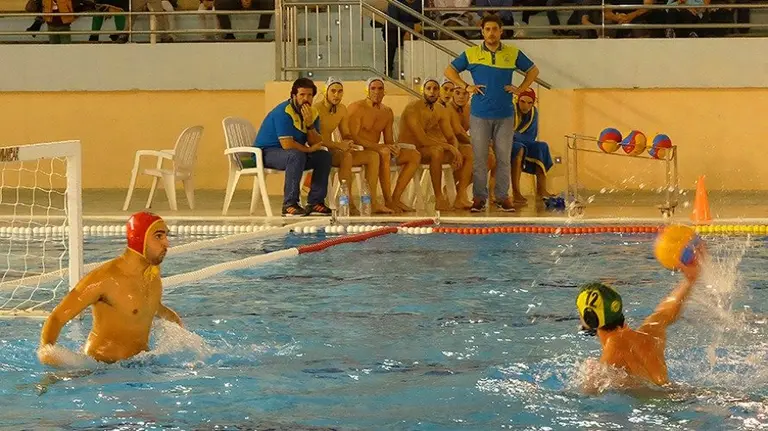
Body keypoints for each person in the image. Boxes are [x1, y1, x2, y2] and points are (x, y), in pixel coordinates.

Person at [38, 212, 182, 367]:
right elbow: (57, 318)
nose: (167, 243)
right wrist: (47, 354)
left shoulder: (151, 275)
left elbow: (148, 306)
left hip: (140, 365)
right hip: (101, 369)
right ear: (140, 239)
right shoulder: (104, 279)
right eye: (159, 237)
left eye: (166, 236)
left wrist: (177, 327)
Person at [444, 14, 540, 213]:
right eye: (487, 29)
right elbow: (449, 71)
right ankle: (479, 198)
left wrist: (521, 88)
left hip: (505, 115)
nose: (491, 33)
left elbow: (533, 71)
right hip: (480, 115)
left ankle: (503, 197)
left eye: (495, 29)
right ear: (482, 31)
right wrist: (465, 86)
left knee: (503, 157)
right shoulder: (471, 54)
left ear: (501, 31)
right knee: (480, 158)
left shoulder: (512, 53)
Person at [576, 251, 704, 391]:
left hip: (662, 408)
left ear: (590, 319)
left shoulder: (610, 356)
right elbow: (665, 311)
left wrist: (589, 379)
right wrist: (690, 280)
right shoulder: (649, 333)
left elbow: (590, 396)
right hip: (679, 393)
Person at [253, 78, 333, 216]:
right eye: (302, 95)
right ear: (294, 96)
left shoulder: (312, 113)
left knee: (323, 156)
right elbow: (287, 144)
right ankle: (289, 204)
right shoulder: (283, 112)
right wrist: (308, 150)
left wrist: (309, 125)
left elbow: (315, 142)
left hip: (294, 153)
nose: (305, 99)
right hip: (266, 153)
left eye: (309, 95)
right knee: (296, 155)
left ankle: (315, 202)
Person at [313, 77, 393, 214]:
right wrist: (338, 145)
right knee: (347, 156)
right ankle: (348, 202)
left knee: (373, 156)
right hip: (319, 152)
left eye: (340, 92)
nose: (336, 95)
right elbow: (314, 139)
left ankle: (372, 202)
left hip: (335, 150)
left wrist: (348, 141)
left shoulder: (342, 109)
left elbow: (346, 133)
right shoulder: (316, 109)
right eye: (333, 91)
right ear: (326, 92)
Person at [398, 78, 473, 210]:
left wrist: (455, 150)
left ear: (439, 92)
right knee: (436, 151)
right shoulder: (412, 108)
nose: (432, 92)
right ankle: (439, 197)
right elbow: (422, 140)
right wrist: (451, 149)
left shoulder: (440, 109)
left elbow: (451, 136)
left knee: (468, 151)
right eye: (429, 88)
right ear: (423, 90)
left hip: (429, 149)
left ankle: (460, 196)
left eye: (435, 89)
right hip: (410, 149)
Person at [347, 77, 421, 213]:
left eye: (380, 88)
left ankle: (396, 198)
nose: (376, 92)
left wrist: (395, 147)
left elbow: (388, 140)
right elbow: (353, 137)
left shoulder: (387, 112)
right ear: (367, 90)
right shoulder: (357, 108)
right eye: (373, 88)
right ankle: (387, 201)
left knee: (414, 155)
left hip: (379, 151)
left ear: (384, 91)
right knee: (384, 152)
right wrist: (379, 147)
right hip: (361, 151)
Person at [509, 88, 555, 203]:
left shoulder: (534, 113)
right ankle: (516, 192)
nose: (526, 106)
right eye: (522, 102)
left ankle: (541, 190)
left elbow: (531, 136)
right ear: (517, 100)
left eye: (529, 103)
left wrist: (516, 136)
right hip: (506, 142)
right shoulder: (510, 109)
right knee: (519, 148)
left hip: (523, 141)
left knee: (542, 146)